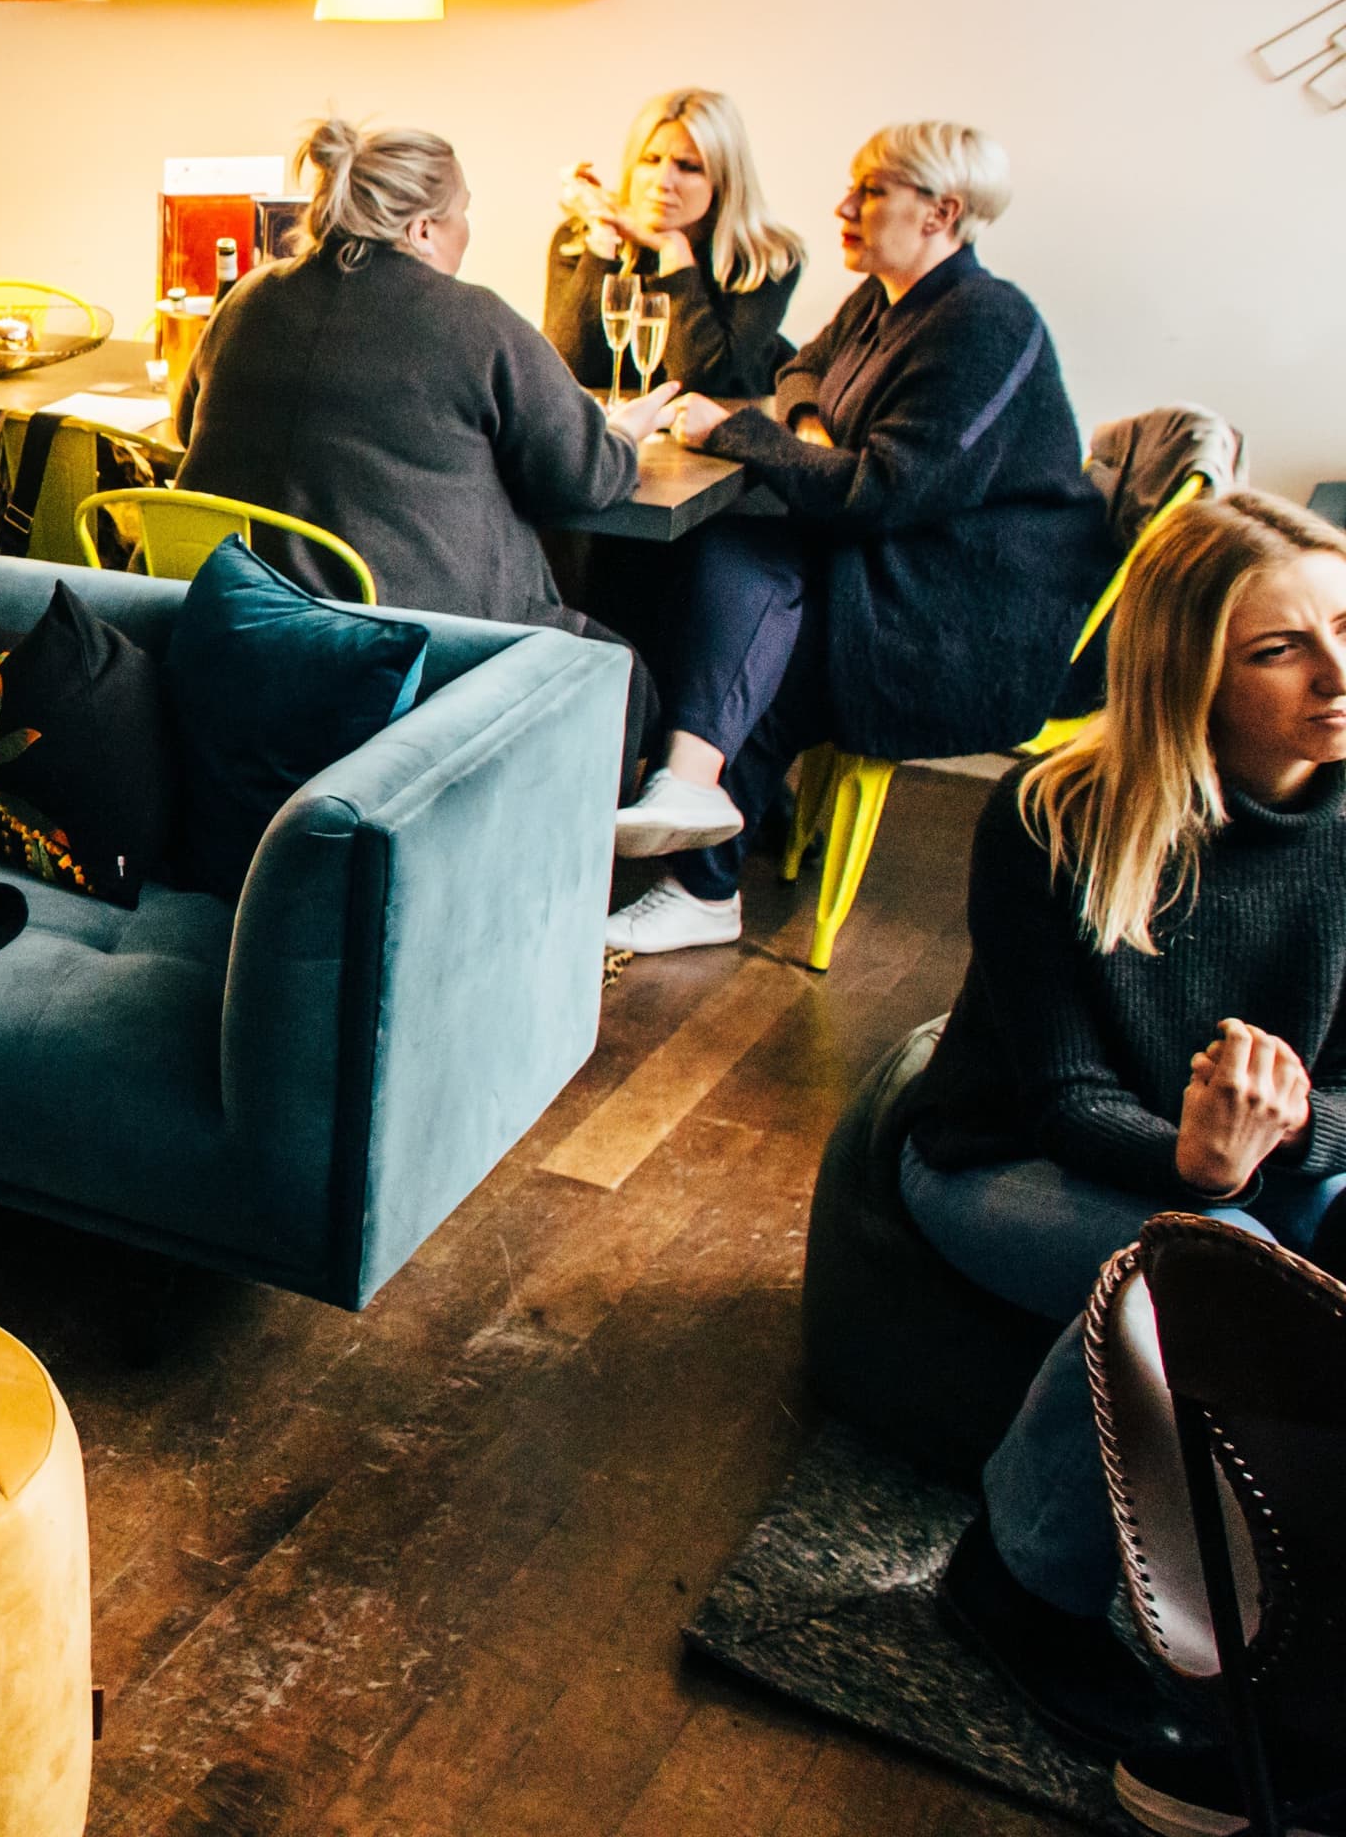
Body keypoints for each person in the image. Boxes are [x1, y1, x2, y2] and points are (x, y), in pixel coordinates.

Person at [899, 493, 1346, 1823]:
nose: (1338, 674)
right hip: (1007, 1163)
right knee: (1213, 1270)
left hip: (1252, 1165)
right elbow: (1063, 1096)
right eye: (1281, 650)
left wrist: (1278, 1136)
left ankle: (1295, 1607)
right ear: (1189, 673)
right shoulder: (1052, 814)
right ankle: (1015, 1584)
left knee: (1265, 1246)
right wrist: (1198, 1167)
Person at [609, 121, 1111, 951]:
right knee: (731, 549)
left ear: (941, 211)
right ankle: (688, 794)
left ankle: (702, 868)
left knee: (769, 630)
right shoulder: (885, 298)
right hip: (901, 554)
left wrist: (739, 434)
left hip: (972, 602)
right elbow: (798, 370)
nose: (845, 205)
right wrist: (805, 428)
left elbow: (883, 490)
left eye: (872, 190)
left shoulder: (986, 320)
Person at [176, 120, 680, 762]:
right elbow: (583, 478)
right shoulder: (475, 320)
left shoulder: (246, 300)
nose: (468, 229)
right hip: (406, 641)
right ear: (421, 229)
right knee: (623, 675)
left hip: (239, 626)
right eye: (462, 212)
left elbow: (185, 425)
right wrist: (623, 436)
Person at [541, 88, 802, 401]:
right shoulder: (579, 240)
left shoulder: (765, 259)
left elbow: (701, 382)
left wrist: (673, 252)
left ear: (723, 179)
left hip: (719, 438)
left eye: (688, 166)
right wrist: (602, 235)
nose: (663, 181)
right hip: (615, 435)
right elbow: (563, 370)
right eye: (650, 160)